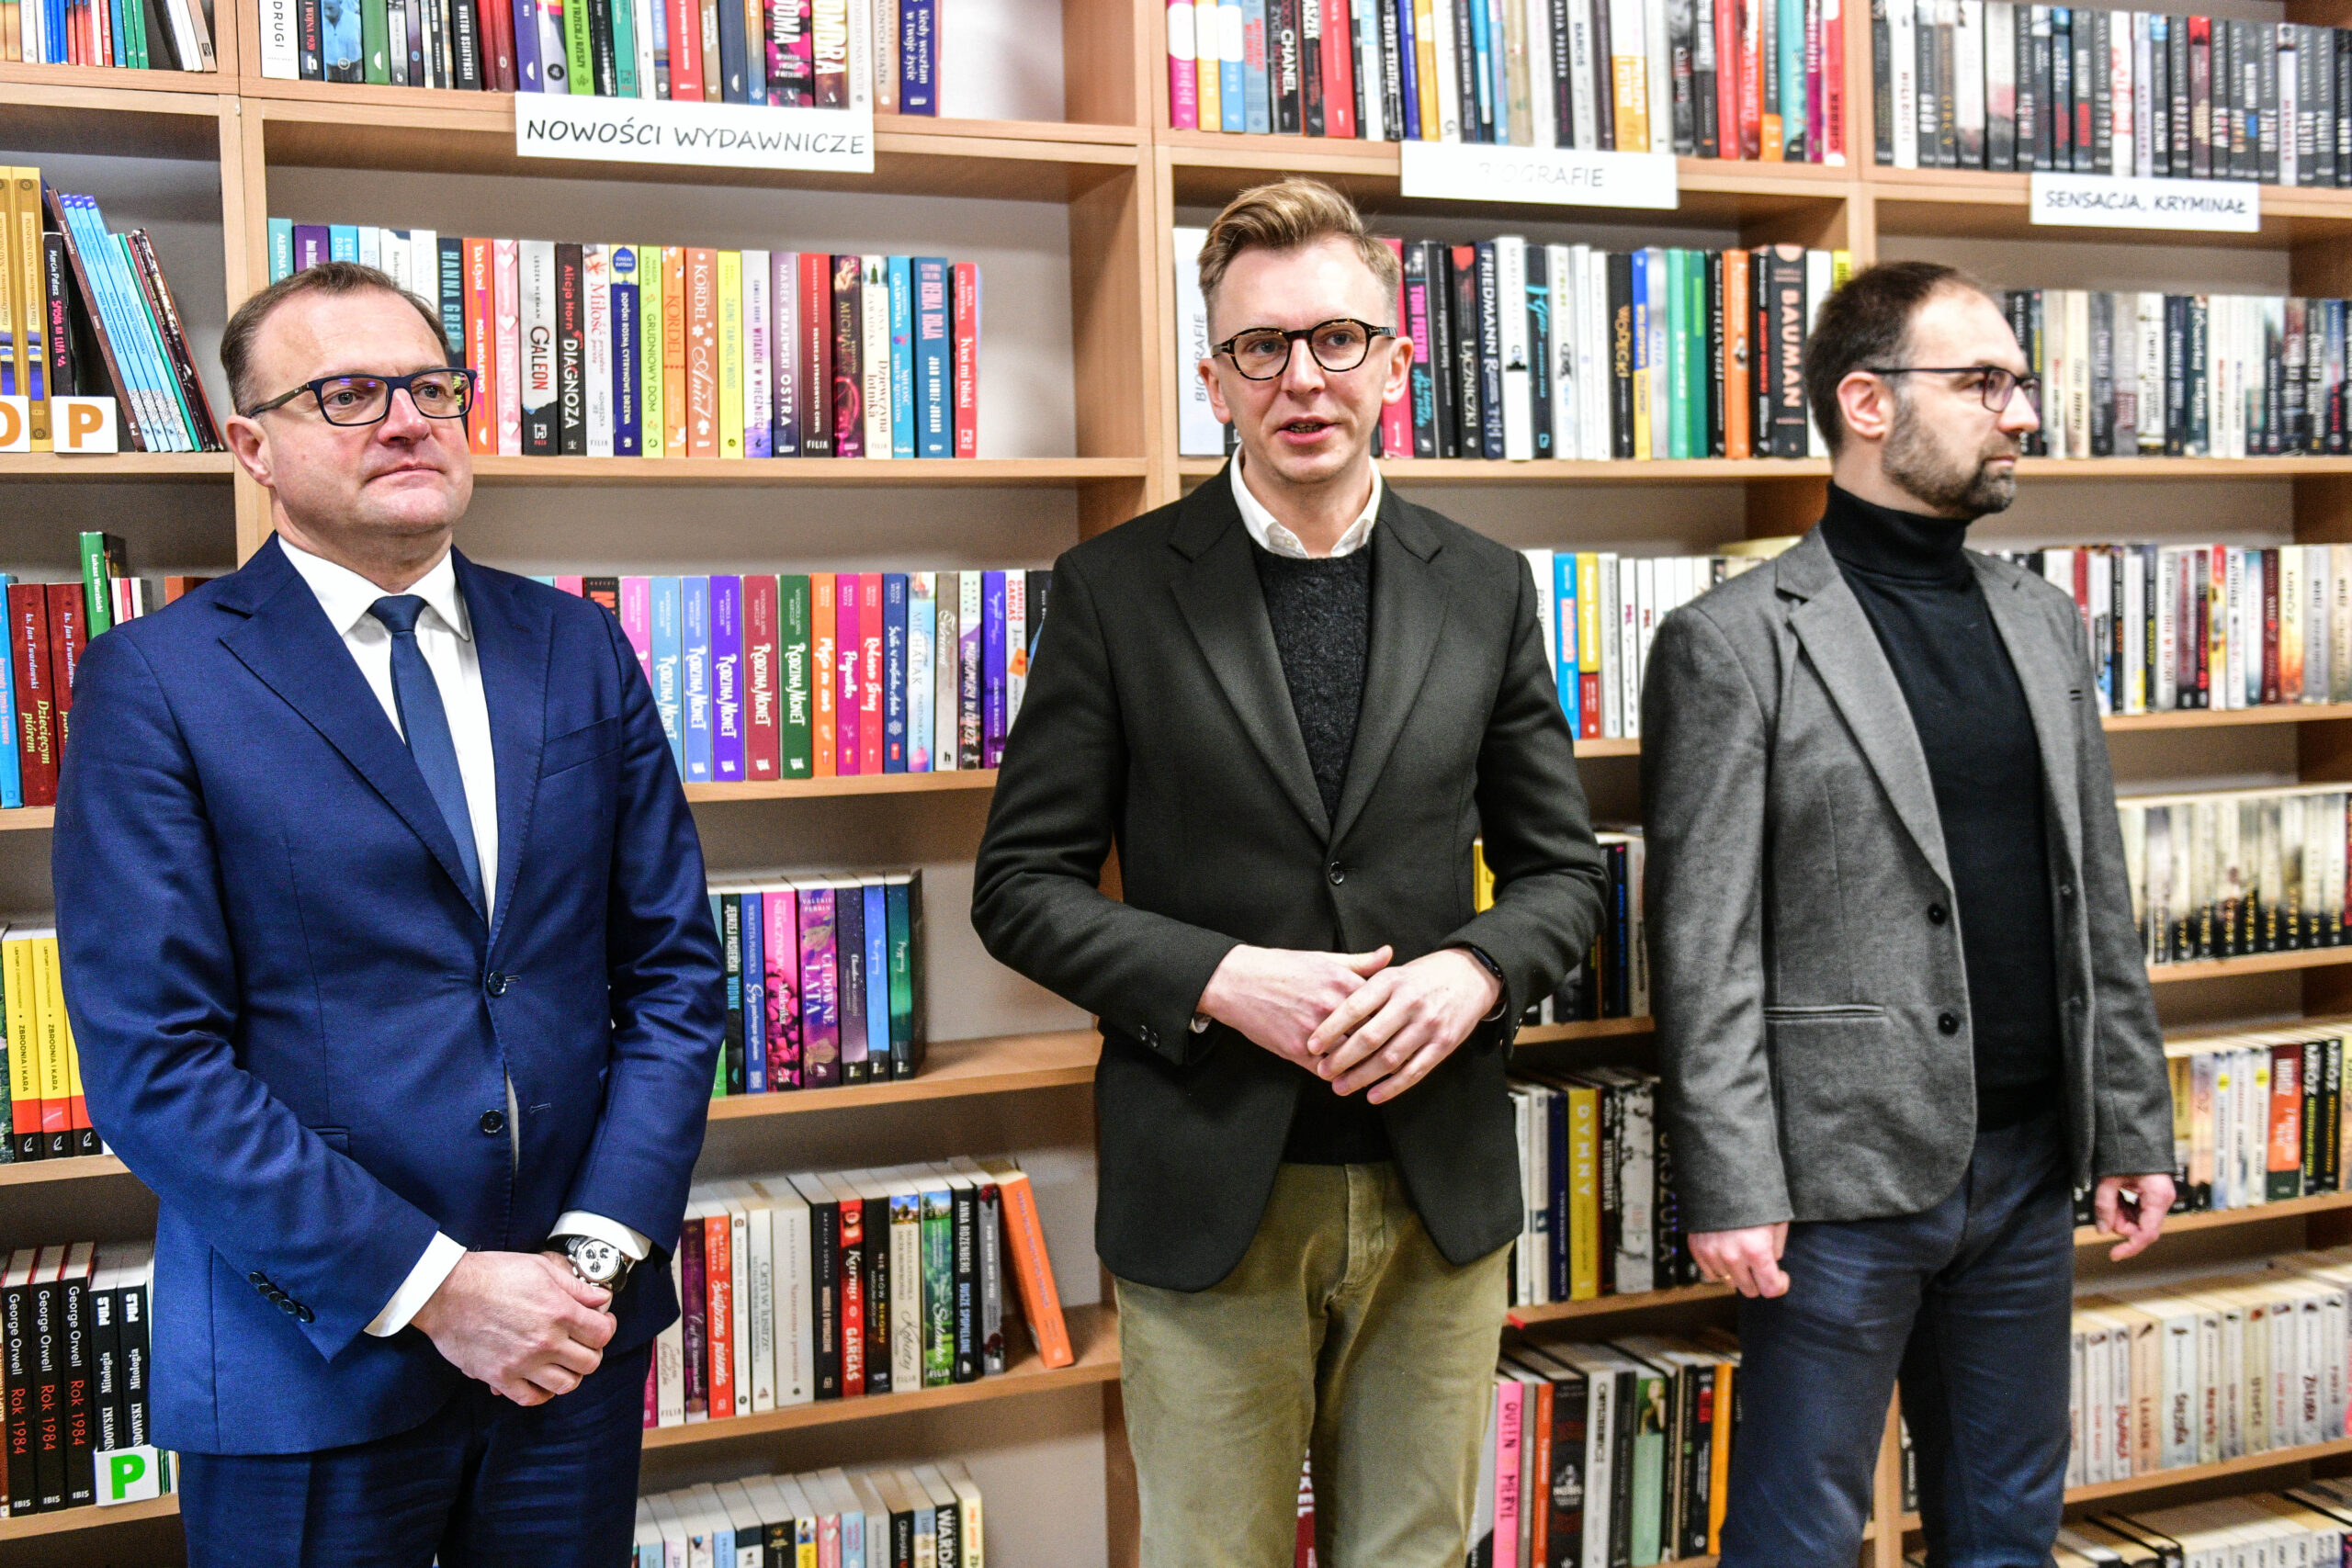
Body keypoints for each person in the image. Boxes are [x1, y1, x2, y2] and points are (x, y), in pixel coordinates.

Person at [971, 177, 1606, 1568]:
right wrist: (1218, 978)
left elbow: (1565, 874)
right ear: (1213, 380)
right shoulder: (1114, 590)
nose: (1302, 378)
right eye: (1261, 346)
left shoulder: (1488, 586)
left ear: (1397, 361)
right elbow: (1018, 887)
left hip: (1439, 1186)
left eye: (1337, 339)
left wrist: (1474, 970)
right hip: (1208, 1183)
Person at [52, 261, 725, 1566]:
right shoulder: (158, 682)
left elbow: (673, 977)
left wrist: (591, 1258)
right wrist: (441, 1290)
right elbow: (154, 1065)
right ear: (252, 446)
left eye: (432, 386)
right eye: (349, 394)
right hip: (309, 1359)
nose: (409, 420)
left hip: (570, 1345)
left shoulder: (577, 646)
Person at [1641, 260, 2177, 1567]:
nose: (2022, 414)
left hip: (2031, 1166)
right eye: (1985, 382)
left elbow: (2095, 897)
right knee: (1798, 1538)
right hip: (1836, 1184)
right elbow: (1702, 946)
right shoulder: (1734, 640)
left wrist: (2132, 1125)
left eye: (2019, 384)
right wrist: (1733, 1182)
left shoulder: (2046, 624)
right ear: (1867, 403)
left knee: (2008, 1532)